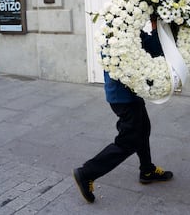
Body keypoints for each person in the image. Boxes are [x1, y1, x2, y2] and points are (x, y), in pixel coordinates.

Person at [73, 19, 173, 203]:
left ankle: (147, 170)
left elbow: (151, 49)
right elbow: (152, 52)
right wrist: (154, 29)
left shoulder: (124, 27)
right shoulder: (121, 33)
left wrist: (154, 29)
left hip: (127, 95)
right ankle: (87, 173)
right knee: (128, 141)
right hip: (124, 97)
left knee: (143, 129)